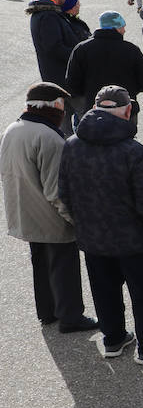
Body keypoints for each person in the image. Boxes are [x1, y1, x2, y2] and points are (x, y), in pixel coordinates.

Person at [58, 85, 143, 365]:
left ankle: (114, 339)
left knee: (104, 291)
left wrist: (83, 224)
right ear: (128, 111)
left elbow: (64, 194)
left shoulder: (71, 146)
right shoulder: (135, 152)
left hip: (93, 239)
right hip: (133, 240)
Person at [2, 82, 97, 334]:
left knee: (41, 265)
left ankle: (47, 312)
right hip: (51, 219)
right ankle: (71, 317)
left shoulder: (12, 129)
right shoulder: (50, 138)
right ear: (55, 106)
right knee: (64, 267)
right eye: (62, 107)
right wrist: (75, 220)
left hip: (24, 213)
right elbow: (57, 191)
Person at [66, 11, 143, 126]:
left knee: (95, 141)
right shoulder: (131, 49)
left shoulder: (81, 49)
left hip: (93, 108)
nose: (124, 30)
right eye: (122, 27)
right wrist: (129, 92)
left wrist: (88, 95)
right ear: (116, 28)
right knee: (125, 141)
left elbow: (72, 81)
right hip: (125, 108)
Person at [27, 0, 79, 129]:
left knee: (65, 116)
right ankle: (71, 148)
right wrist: (78, 55)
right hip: (61, 76)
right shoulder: (48, 15)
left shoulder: (46, 12)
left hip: (58, 75)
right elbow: (54, 47)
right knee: (74, 114)